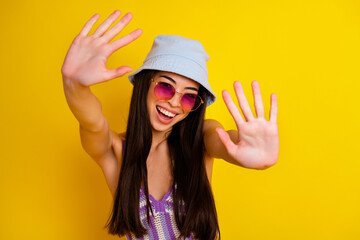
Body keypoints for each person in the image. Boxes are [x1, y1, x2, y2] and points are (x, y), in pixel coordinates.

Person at [61, 10, 279, 240]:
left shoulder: (201, 140)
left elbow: (225, 142)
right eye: (165, 87)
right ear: (145, 84)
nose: (175, 102)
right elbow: (93, 123)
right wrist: (74, 86)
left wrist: (252, 153)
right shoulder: (116, 152)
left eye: (188, 97)